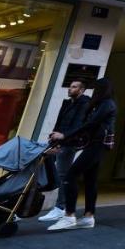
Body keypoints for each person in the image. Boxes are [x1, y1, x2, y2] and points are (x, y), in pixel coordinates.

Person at [47, 78, 117, 232]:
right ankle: (88, 217)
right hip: (95, 145)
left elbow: (90, 124)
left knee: (70, 175)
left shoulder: (107, 104)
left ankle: (69, 215)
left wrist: (64, 136)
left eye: (96, 88)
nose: (93, 92)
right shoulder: (103, 104)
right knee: (90, 180)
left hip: (97, 145)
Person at [39, 80, 91, 222]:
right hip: (59, 142)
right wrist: (54, 137)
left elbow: (79, 124)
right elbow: (60, 122)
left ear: (81, 90)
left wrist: (64, 136)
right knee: (46, 168)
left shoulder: (85, 104)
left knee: (63, 174)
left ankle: (61, 207)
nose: (70, 89)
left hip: (70, 143)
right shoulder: (68, 103)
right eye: (70, 86)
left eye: (74, 87)